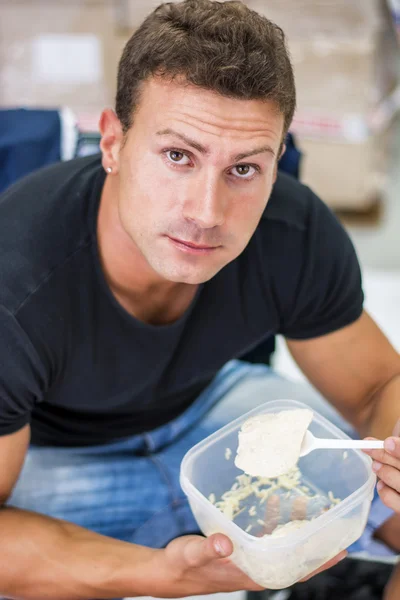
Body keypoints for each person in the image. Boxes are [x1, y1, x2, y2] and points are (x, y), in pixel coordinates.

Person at [0, 0, 400, 598]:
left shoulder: (295, 231)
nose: (207, 214)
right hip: (55, 464)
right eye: (178, 156)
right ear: (112, 141)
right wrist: (162, 575)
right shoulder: (15, 286)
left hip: (217, 420)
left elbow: (376, 389)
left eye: (244, 169)